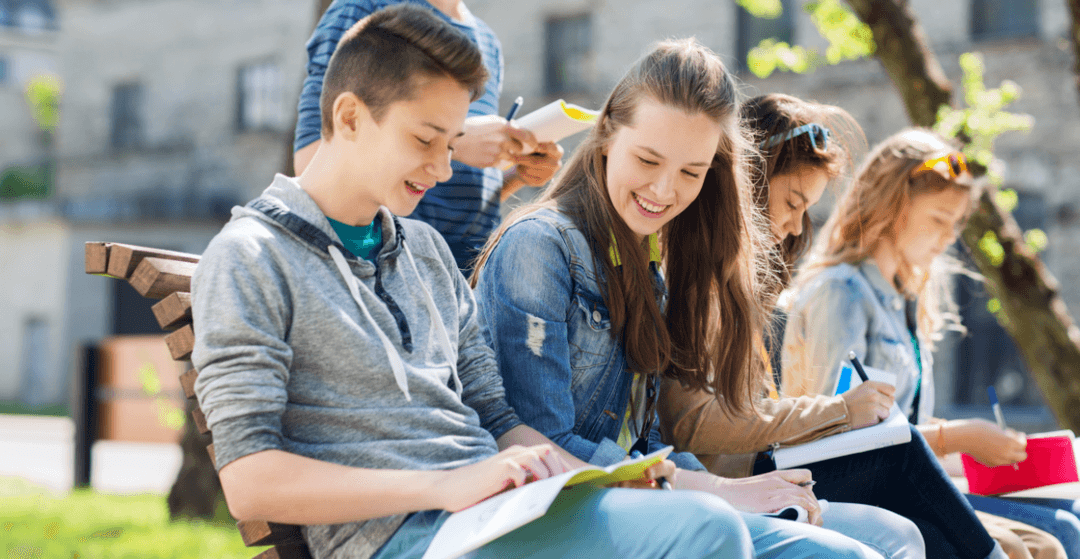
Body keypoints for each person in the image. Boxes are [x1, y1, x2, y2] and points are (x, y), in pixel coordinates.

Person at [192, 7, 764, 559]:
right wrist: (444, 487)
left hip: (497, 513)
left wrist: (599, 481)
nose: (444, 171)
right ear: (349, 118)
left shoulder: (424, 251)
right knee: (705, 532)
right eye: (425, 141)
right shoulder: (250, 258)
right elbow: (249, 481)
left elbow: (499, 421)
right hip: (411, 536)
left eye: (451, 145)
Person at [472, 38, 911, 559]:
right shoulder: (538, 247)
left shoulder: (647, 259)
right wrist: (721, 493)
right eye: (648, 159)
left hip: (639, 497)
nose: (663, 190)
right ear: (608, 133)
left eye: (690, 172)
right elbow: (545, 446)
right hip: (556, 508)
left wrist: (737, 493)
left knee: (885, 540)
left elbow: (649, 440)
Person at [654, 95, 1019, 559]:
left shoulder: (735, 286)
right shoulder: (698, 281)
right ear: (747, 181)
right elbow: (693, 423)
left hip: (760, 466)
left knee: (948, 529)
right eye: (792, 202)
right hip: (736, 479)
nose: (793, 225)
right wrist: (840, 411)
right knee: (905, 478)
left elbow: (750, 413)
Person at [782, 127, 1072, 559]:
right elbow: (837, 435)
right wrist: (960, 437)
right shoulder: (839, 292)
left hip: (913, 486)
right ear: (890, 206)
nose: (948, 237)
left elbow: (904, 420)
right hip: (856, 493)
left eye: (956, 225)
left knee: (1059, 528)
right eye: (938, 220)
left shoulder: (905, 299)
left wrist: (983, 445)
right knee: (1029, 544)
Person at [294, 0, 563, 272]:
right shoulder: (364, 8)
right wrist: (455, 142)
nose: (443, 170)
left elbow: (455, 194)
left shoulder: (487, 40)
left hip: (469, 270)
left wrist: (517, 175)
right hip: (392, 265)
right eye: (425, 138)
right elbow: (313, 160)